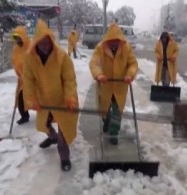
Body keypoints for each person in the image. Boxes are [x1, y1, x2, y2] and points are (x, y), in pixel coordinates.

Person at [22, 19, 78, 171]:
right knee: (44, 124)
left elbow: (69, 80)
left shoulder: (62, 57)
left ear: (51, 41)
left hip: (63, 100)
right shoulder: (30, 58)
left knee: (64, 132)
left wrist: (70, 98)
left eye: (47, 43)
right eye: (42, 43)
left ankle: (64, 158)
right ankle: (52, 138)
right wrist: (31, 99)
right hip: (44, 100)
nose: (45, 46)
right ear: (36, 44)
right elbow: (27, 80)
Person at [89, 23, 138, 145]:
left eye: (116, 40)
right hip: (105, 84)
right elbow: (94, 63)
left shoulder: (126, 48)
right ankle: (106, 121)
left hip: (120, 85)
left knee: (117, 110)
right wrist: (98, 74)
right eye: (111, 40)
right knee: (104, 109)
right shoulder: (100, 48)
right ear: (107, 39)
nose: (114, 43)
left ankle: (114, 133)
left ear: (120, 40)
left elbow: (133, 63)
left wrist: (130, 74)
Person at [11, 26, 31, 124]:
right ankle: (24, 115)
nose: (17, 40)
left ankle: (48, 115)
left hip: (33, 79)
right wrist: (19, 74)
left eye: (19, 37)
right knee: (20, 98)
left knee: (41, 98)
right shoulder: (16, 49)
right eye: (15, 37)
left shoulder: (31, 46)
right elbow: (15, 62)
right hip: (22, 79)